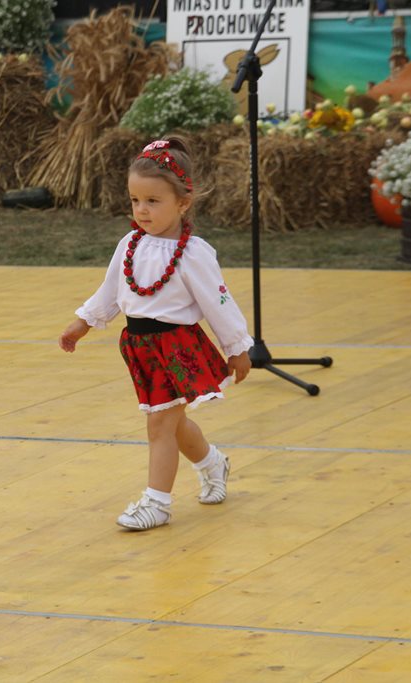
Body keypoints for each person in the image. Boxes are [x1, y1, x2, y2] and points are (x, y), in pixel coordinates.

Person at [58, 137, 253, 531]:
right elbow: (111, 290)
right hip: (139, 347)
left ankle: (157, 503)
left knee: (160, 425)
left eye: (152, 201)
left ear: (183, 202)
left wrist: (237, 347)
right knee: (173, 424)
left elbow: (219, 302)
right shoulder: (129, 244)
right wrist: (84, 322)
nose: (141, 210)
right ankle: (213, 462)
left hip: (177, 346)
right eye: (135, 200)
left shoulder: (193, 253)